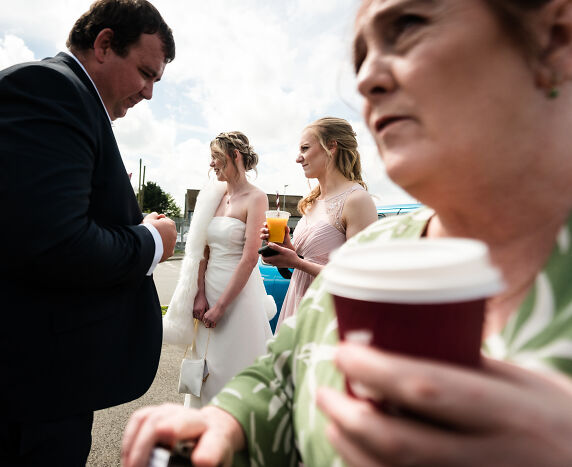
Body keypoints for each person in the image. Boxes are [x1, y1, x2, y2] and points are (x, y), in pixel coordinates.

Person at [120, 0, 572, 465]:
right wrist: (227, 420)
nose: (366, 79)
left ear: (556, 38)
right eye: (360, 57)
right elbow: (284, 373)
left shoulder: (353, 207)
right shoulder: (380, 248)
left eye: (410, 25)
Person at [0, 1, 177, 464]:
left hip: (27, 382)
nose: (148, 93)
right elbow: (55, 244)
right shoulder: (44, 91)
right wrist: (150, 241)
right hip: (0, 391)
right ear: (104, 44)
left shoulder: (67, 101)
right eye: (146, 73)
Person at [163, 131, 274, 408]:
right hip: (208, 289)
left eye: (216, 157)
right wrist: (199, 295)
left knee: (234, 367)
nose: (212, 164)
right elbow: (203, 249)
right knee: (204, 366)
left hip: (237, 297)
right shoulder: (213, 196)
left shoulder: (256, 198)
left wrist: (221, 306)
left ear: (234, 156)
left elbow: (250, 258)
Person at [260, 117, 377, 329]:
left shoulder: (357, 200)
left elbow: (359, 278)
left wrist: (297, 262)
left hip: (329, 316)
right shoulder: (312, 201)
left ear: (331, 146)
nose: (298, 158)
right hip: (298, 306)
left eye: (305, 148)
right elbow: (302, 265)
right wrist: (286, 250)